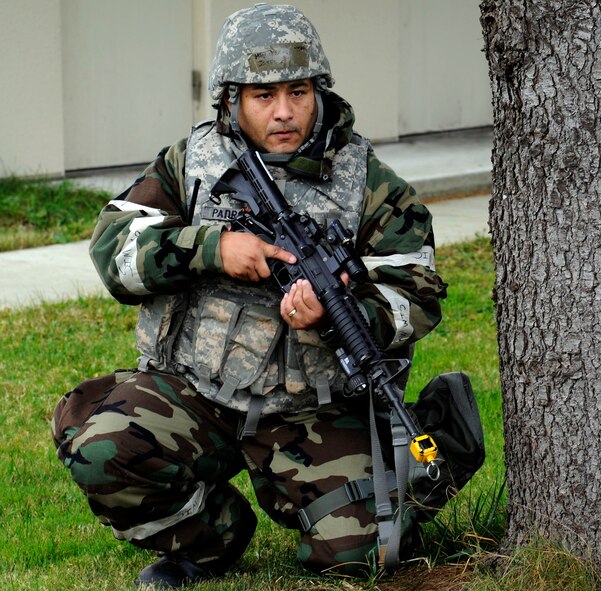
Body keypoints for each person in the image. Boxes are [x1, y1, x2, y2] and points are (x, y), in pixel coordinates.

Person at [51, 3, 447, 588]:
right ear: (231, 98)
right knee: (102, 448)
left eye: (298, 91)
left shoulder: (371, 181)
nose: (284, 112)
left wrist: (346, 312)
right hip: (197, 393)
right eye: (263, 95)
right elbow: (114, 251)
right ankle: (209, 540)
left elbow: (417, 293)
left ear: (319, 91)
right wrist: (211, 249)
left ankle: (442, 446)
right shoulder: (191, 163)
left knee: (366, 552)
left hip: (310, 407)